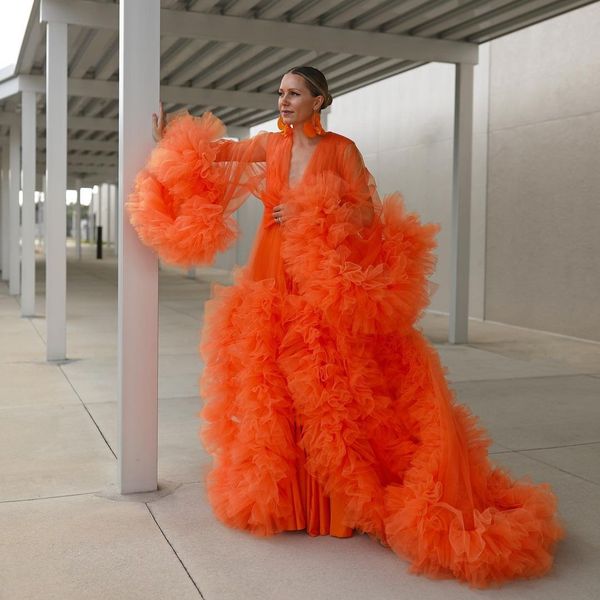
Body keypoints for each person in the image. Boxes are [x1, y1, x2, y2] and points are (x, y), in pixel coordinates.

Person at [126, 66, 565, 588]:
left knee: (327, 388)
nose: (283, 100)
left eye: (294, 94)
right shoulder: (270, 145)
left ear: (320, 100)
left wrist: (312, 213)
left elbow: (366, 216)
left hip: (318, 278)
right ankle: (288, 502)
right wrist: (166, 140)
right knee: (273, 386)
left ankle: (333, 505)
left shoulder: (342, 151)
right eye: (280, 93)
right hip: (271, 272)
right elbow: (221, 154)